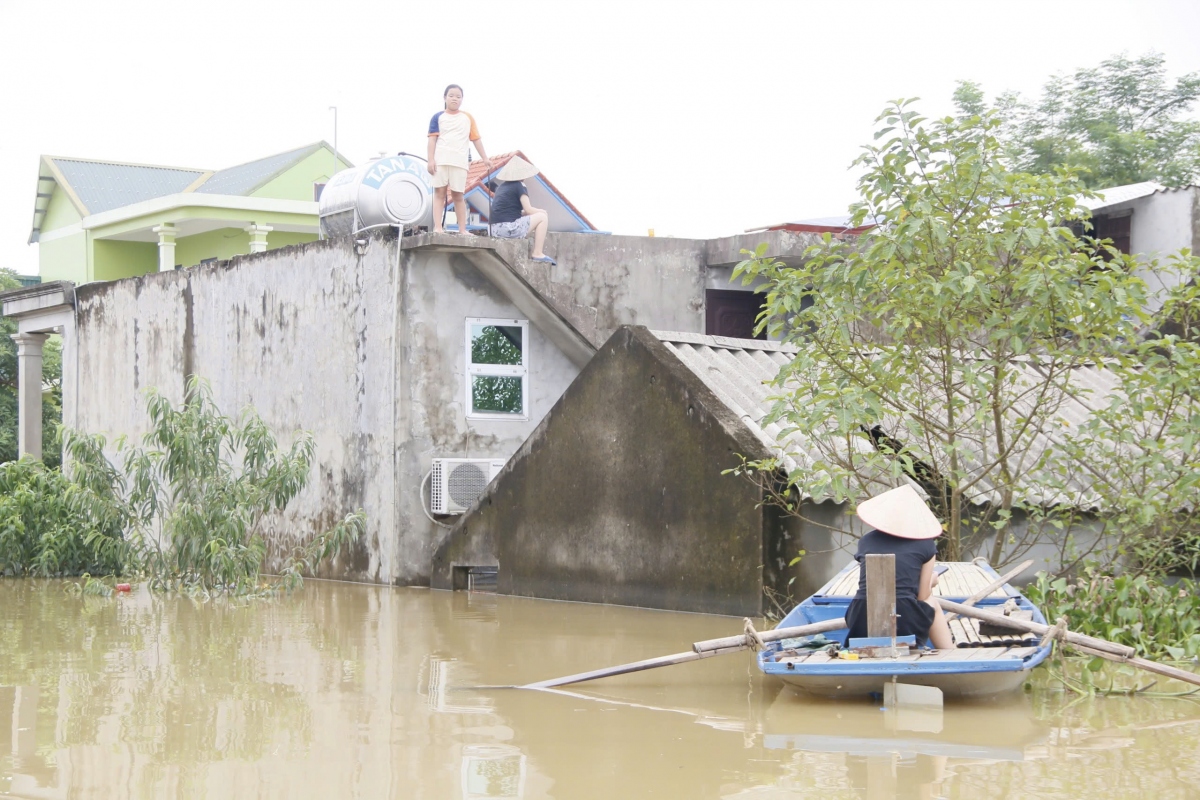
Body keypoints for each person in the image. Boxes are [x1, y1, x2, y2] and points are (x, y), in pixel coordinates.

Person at [844, 484, 954, 650]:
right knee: (933, 603)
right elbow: (922, 596)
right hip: (904, 618)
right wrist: (931, 581)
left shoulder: (865, 541)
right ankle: (949, 652)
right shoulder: (926, 544)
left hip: (860, 616)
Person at [427, 84, 490, 234]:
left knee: (458, 195)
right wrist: (430, 160)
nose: (454, 99)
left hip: (460, 162)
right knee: (439, 193)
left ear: (462, 99)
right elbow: (432, 140)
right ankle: (438, 227)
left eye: (458, 96)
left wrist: (485, 158)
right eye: (451, 95)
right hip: (441, 161)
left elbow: (476, 139)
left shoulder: (467, 118)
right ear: (445, 97)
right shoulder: (438, 117)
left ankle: (463, 229)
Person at [487, 156, 555, 264]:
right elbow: (528, 209)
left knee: (538, 215)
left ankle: (537, 252)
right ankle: (537, 253)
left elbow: (514, 211)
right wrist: (542, 212)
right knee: (542, 217)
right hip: (507, 229)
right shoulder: (519, 185)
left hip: (493, 230)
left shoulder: (501, 187)